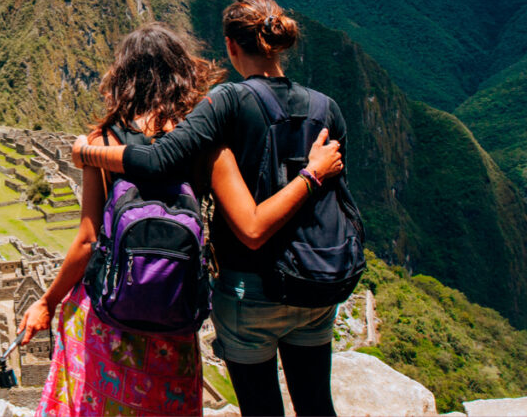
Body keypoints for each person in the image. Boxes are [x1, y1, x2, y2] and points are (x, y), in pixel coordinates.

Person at [20, 22, 342, 416]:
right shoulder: (205, 142)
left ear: (122, 77)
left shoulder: (102, 143)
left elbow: (87, 241)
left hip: (111, 312)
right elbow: (246, 217)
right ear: (182, 74)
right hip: (173, 311)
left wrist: (48, 302)